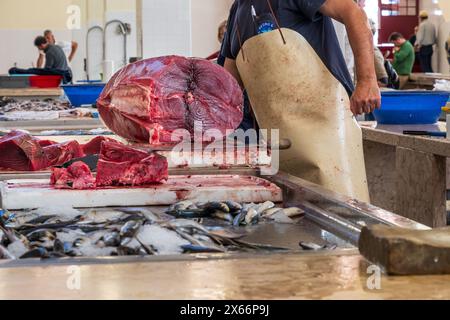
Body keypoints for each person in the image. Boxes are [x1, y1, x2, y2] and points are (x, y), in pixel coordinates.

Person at [222, 0, 380, 116]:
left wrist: (367, 80)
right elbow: (231, 81)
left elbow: (353, 13)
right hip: (273, 124)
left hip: (324, 116)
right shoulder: (236, 10)